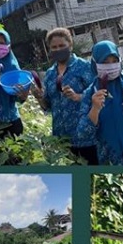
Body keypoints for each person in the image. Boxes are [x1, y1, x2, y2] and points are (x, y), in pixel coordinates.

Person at [31, 28, 98, 164]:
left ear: (70, 45)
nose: (58, 49)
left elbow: (98, 95)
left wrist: (78, 96)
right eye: (54, 47)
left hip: (86, 137)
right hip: (61, 141)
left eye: (62, 46)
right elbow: (48, 106)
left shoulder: (84, 67)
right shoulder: (50, 74)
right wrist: (39, 98)